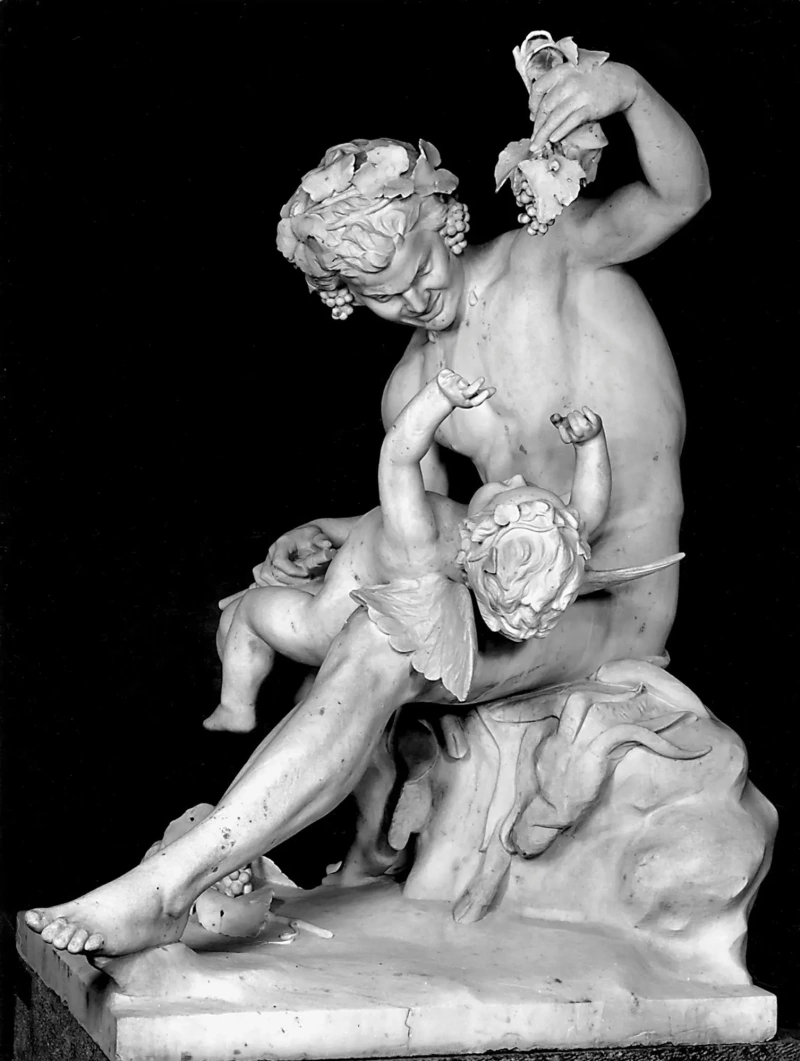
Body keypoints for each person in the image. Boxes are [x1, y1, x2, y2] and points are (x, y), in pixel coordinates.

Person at [24, 49, 708, 956]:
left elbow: (680, 196)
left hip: (616, 600)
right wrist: (334, 532)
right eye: (380, 298)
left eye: (419, 271)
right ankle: (206, 860)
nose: (414, 301)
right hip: (511, 597)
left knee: (390, 636)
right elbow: (426, 535)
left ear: (445, 224)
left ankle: (172, 883)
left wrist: (630, 91)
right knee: (381, 603)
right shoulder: (411, 386)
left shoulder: (551, 259)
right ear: (345, 296)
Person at [205, 371, 618, 733]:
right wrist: (591, 445)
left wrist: (439, 397)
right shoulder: (476, 550)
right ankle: (300, 693)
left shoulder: (421, 538)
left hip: (325, 622)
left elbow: (398, 456)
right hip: (354, 589)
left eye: (503, 494)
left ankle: (235, 709)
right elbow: (586, 516)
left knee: (248, 611)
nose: (513, 479)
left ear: (486, 537)